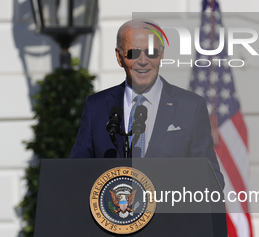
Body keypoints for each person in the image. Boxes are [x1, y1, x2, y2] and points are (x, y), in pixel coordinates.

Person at [69, 20, 224, 188]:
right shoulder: (96, 107)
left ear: (161, 54)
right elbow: (76, 174)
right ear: (119, 57)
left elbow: (212, 180)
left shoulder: (191, 107)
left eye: (151, 52)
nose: (143, 61)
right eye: (133, 53)